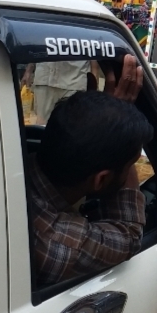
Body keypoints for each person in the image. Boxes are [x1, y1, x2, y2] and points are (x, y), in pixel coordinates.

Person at [29, 57, 147, 286]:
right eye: (130, 165)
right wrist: (117, 135)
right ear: (100, 180)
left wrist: (110, 121)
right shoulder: (56, 243)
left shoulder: (16, 169)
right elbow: (129, 235)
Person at [24, 0, 101, 123]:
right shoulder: (47, 9)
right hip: (45, 79)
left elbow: (93, 53)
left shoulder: (89, 12)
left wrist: (94, 85)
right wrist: (28, 71)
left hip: (73, 81)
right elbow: (38, 40)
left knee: (70, 125)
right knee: (42, 124)